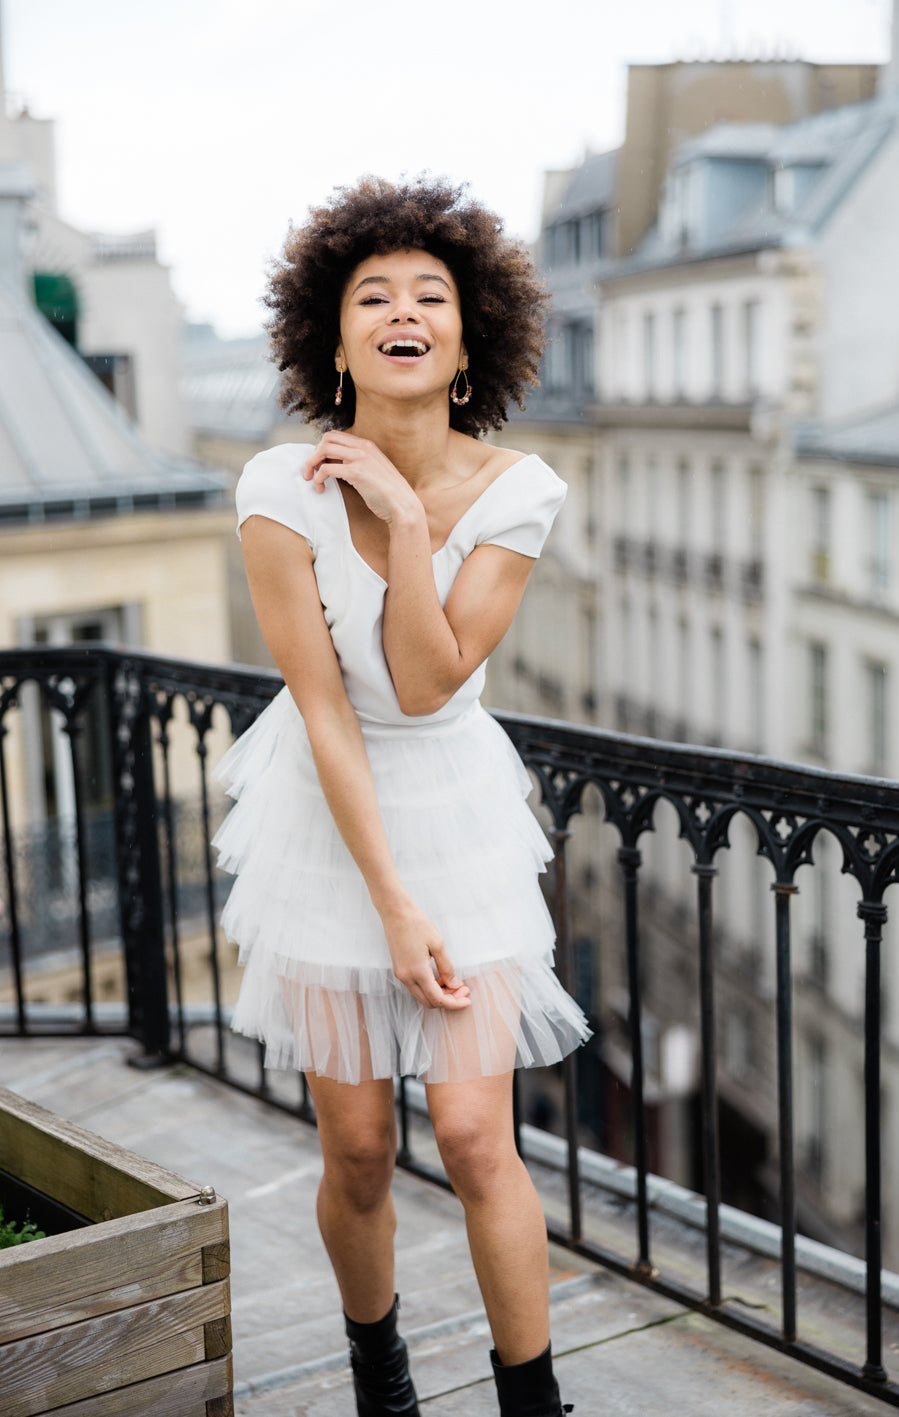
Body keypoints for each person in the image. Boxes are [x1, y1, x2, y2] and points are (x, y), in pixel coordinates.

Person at [213, 174, 589, 1417]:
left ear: (469, 343)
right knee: (362, 1147)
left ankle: (533, 1400)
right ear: (334, 343)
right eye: (372, 296)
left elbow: (428, 686)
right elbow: (328, 708)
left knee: (478, 1138)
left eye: (431, 294)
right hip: (326, 814)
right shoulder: (277, 488)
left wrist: (409, 527)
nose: (403, 311)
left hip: (455, 806)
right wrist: (389, 899)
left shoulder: (520, 490)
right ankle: (381, 1374)